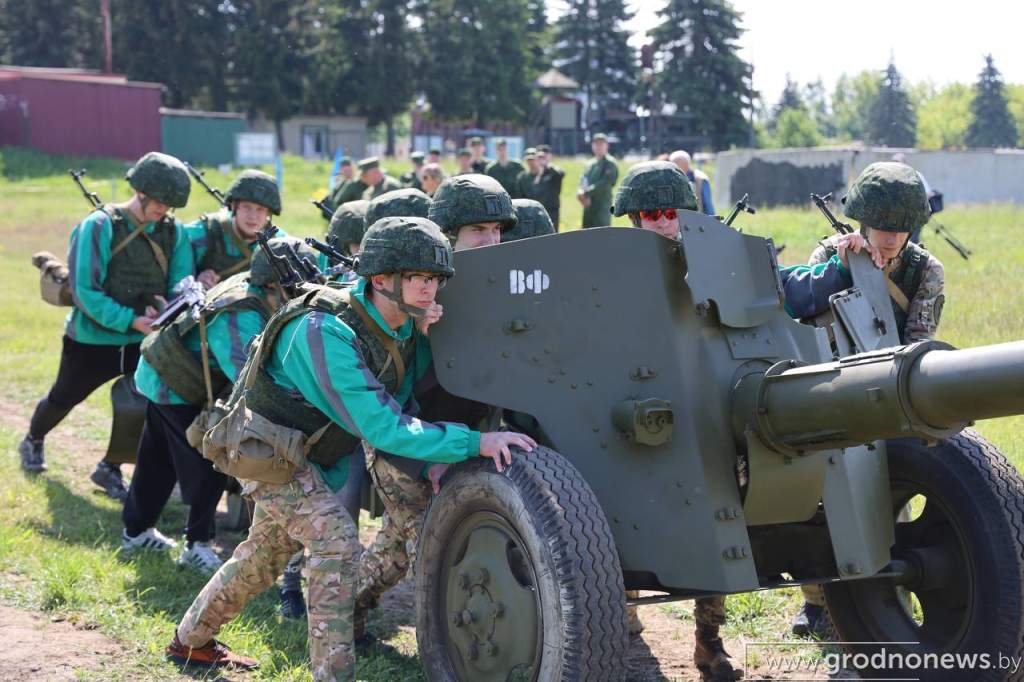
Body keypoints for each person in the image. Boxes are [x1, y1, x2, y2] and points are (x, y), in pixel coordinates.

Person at [167, 216, 534, 678]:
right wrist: (475, 442)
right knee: (335, 541)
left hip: (304, 452)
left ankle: (189, 643)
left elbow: (405, 402)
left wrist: (430, 459)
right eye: (418, 277)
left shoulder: (401, 325)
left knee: (263, 556)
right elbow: (383, 425)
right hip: (262, 450)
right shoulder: (324, 332)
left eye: (436, 278)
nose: (430, 289)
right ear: (381, 279)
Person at [612, 160, 885, 682]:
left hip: (711, 417)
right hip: (636, 420)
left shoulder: (716, 259)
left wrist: (843, 266)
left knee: (723, 518)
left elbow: (788, 290)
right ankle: (617, 607)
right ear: (633, 219)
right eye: (651, 214)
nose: (664, 223)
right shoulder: (611, 271)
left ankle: (708, 643)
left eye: (673, 212)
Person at [351, 176, 520, 641]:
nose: (490, 241)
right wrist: (421, 331)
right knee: (422, 546)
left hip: (468, 432)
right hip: (410, 437)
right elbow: (396, 390)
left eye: (496, 230)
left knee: (402, 545)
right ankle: (442, 644)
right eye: (476, 231)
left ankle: (348, 604)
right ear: (447, 235)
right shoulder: (417, 289)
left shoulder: (505, 282)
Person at [792, 161, 944, 638]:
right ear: (861, 220)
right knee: (821, 504)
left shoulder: (926, 271)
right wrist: (844, 265)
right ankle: (817, 602)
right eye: (882, 228)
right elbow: (804, 321)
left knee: (888, 501)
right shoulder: (832, 253)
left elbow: (919, 338)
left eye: (901, 229)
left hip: (891, 390)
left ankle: (883, 601)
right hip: (834, 387)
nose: (891, 238)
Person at [122, 238, 312, 573]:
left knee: (157, 456)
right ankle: (197, 544)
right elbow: (247, 377)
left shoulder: (254, 290)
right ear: (275, 282)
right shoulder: (241, 314)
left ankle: (136, 530)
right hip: (173, 381)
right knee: (210, 460)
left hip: (165, 371)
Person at [18, 152, 193, 501]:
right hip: (92, 337)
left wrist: (169, 308)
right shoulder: (98, 226)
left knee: (139, 402)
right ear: (140, 192)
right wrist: (130, 320)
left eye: (170, 205)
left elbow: (181, 280)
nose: (164, 210)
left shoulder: (174, 233)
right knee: (64, 397)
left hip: (145, 337)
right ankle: (33, 439)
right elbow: (85, 290)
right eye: (159, 202)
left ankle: (110, 467)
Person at [186, 170, 282, 290]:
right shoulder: (204, 232)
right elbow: (175, 277)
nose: (253, 216)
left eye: (260, 209)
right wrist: (195, 279)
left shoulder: (280, 244)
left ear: (269, 213)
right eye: (247, 207)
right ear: (234, 206)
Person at [578, 133, 619, 228]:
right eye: (596, 144)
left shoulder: (610, 163)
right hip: (588, 205)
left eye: (601, 144)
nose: (598, 146)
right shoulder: (590, 164)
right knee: (586, 234)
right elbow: (583, 179)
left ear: (607, 146)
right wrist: (580, 192)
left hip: (602, 206)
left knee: (601, 235)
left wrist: (586, 193)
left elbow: (605, 184)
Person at [669, 150, 715, 216]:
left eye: (679, 164)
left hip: (698, 220)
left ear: (687, 164)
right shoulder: (671, 179)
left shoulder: (700, 179)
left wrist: (711, 223)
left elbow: (708, 206)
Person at [532, 145, 566, 231]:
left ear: (550, 157)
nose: (541, 158)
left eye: (544, 156)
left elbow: (561, 174)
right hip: (538, 211)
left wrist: (547, 165)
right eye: (539, 157)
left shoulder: (553, 171)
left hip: (552, 210)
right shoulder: (535, 173)